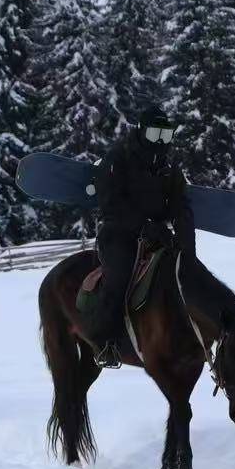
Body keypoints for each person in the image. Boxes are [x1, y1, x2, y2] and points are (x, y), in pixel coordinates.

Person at [91, 105, 194, 367]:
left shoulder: (169, 165)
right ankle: (106, 342)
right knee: (120, 276)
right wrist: (144, 225)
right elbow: (110, 203)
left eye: (165, 135)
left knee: (182, 275)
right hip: (118, 233)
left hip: (158, 235)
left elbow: (180, 204)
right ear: (141, 132)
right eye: (154, 134)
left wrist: (187, 246)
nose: (160, 141)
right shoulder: (118, 158)